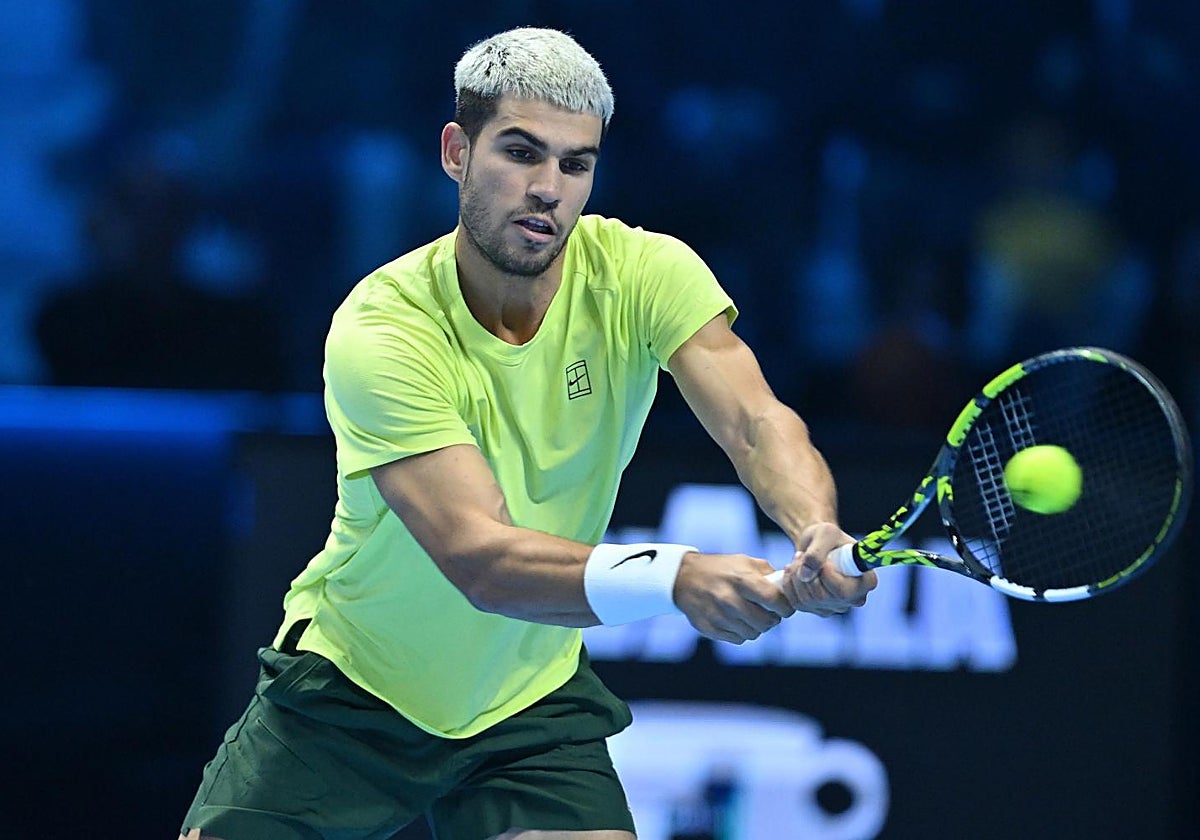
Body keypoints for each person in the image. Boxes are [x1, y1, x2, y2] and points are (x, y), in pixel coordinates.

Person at [179, 27, 876, 840]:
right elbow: (480, 557)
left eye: (575, 163)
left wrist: (811, 525)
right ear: (456, 151)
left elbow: (758, 422)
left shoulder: (645, 273)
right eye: (520, 152)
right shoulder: (384, 326)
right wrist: (673, 574)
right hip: (353, 691)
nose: (548, 187)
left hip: (525, 704)